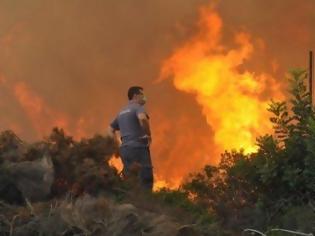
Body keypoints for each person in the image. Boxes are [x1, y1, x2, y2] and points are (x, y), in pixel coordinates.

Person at [108, 86, 153, 190]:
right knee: (145, 178)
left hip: (125, 150)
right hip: (138, 148)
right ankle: (146, 202)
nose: (144, 97)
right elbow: (143, 119)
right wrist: (148, 135)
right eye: (142, 95)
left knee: (130, 178)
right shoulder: (137, 107)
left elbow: (110, 129)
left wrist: (116, 146)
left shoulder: (121, 112)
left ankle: (131, 201)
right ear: (136, 96)